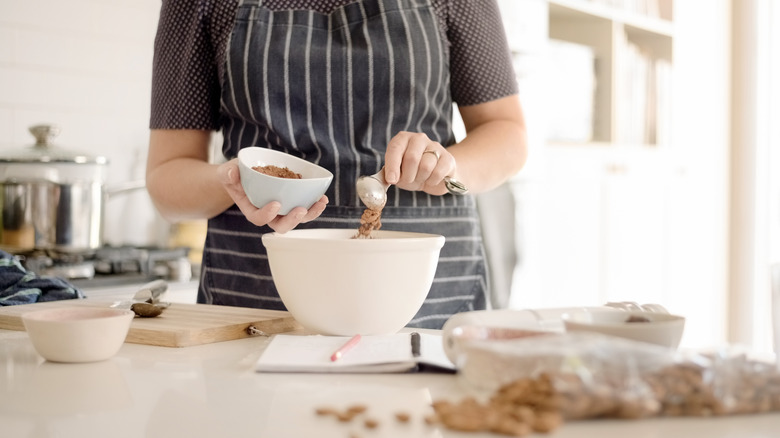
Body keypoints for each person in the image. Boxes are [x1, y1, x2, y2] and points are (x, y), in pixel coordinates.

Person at [146, 0, 528, 329]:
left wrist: (448, 169)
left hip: (426, 296)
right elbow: (168, 178)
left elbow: (507, 134)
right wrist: (236, 178)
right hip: (256, 297)